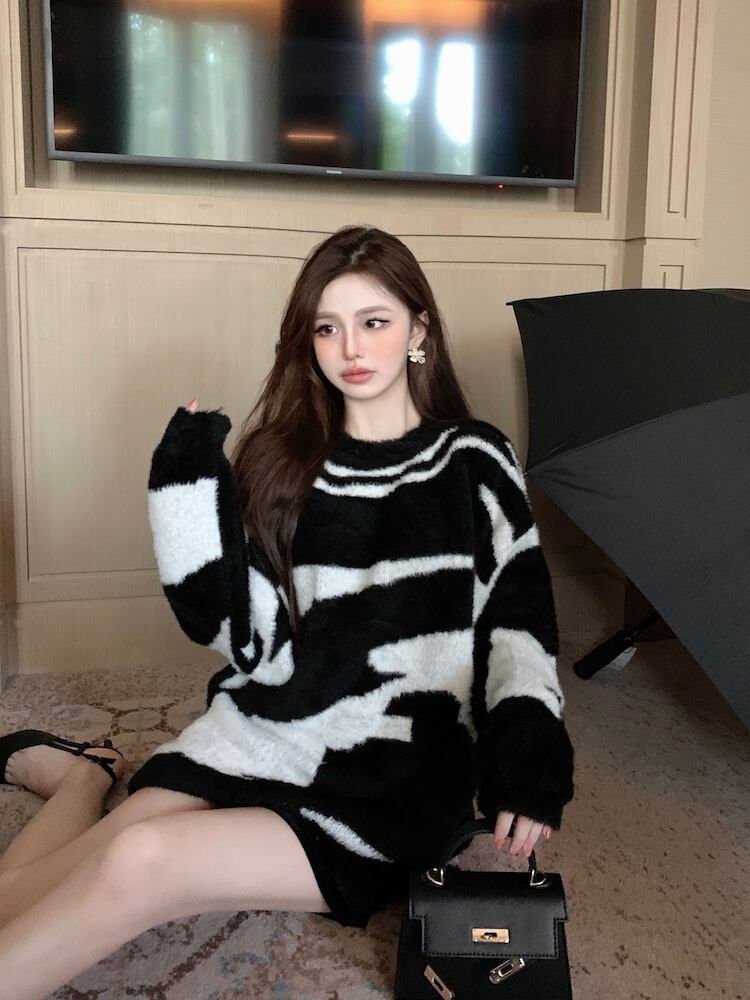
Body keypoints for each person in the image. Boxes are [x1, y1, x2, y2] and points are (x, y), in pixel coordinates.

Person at [0, 225, 574, 998]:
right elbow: (247, 644)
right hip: (265, 735)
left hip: (394, 781)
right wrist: (183, 506)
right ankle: (84, 779)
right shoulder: (280, 461)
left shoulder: (472, 460)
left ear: (419, 330)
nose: (351, 348)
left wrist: (529, 763)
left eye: (374, 321)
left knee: (138, 858)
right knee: (68, 867)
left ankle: (82, 778)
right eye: (327, 328)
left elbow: (517, 628)